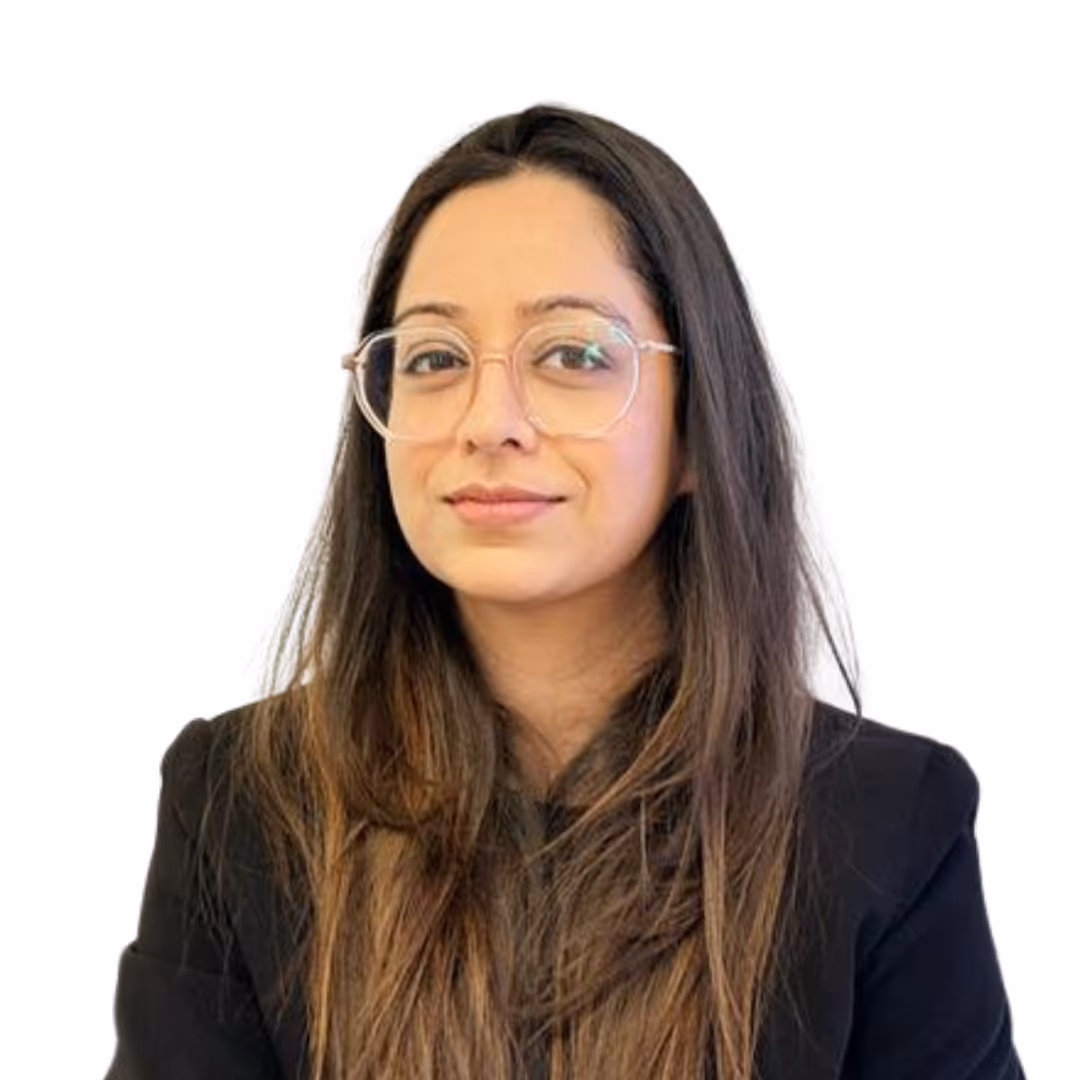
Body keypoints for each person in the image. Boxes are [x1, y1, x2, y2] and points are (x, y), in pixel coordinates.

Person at [105, 104, 1026, 1080]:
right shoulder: (241, 803)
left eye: (573, 355)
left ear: (701, 426)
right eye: (434, 358)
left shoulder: (885, 822)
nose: (487, 421)